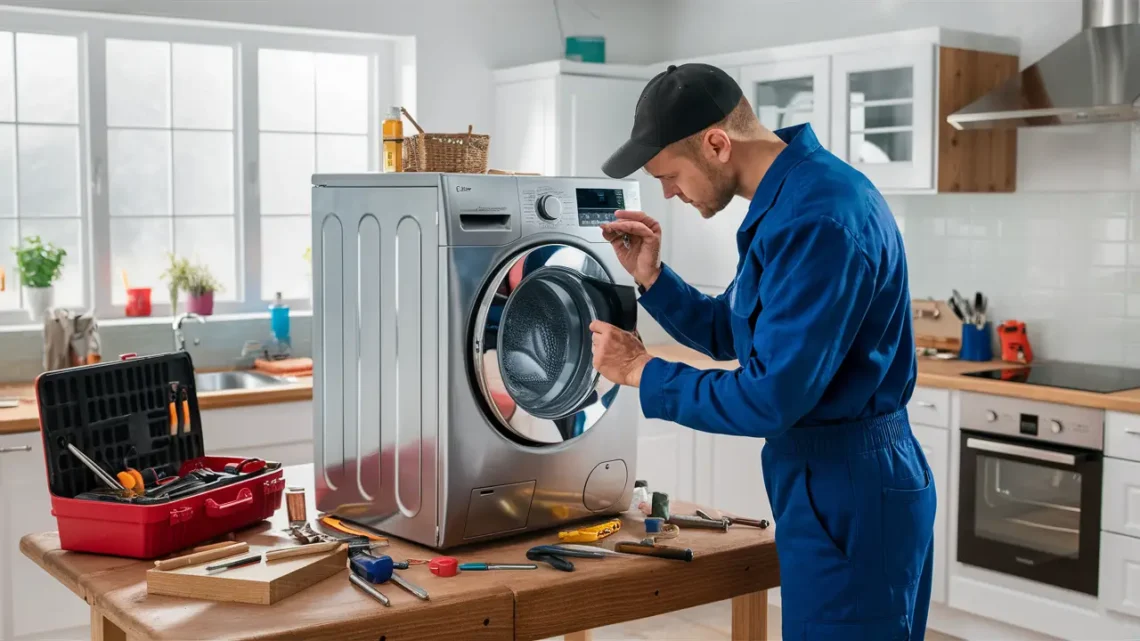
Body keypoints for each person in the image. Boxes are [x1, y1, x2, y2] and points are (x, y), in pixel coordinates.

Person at [589, 63, 936, 640]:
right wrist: (652, 278)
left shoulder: (817, 218)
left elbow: (771, 396)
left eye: (668, 175)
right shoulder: (793, 197)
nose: (669, 194)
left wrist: (643, 370)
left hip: (850, 486)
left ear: (716, 144)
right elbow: (735, 329)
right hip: (829, 479)